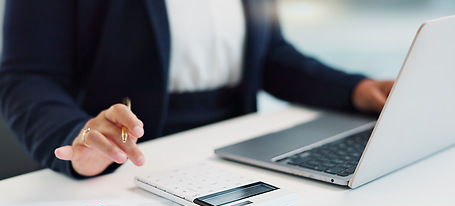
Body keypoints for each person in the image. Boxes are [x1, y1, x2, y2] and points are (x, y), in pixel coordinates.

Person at [0, 0, 393, 178]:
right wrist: (78, 137)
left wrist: (357, 90)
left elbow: (268, 54)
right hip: (129, 163)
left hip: (240, 154)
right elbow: (27, 76)